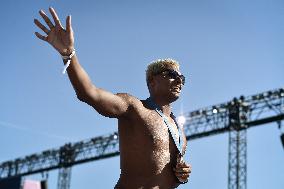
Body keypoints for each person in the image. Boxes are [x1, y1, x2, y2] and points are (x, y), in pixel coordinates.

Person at [34, 7, 192, 189]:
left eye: (182, 77)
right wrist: (68, 54)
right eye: (172, 74)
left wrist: (182, 175)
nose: (179, 80)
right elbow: (89, 93)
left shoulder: (180, 131)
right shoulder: (134, 107)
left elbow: (166, 176)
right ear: (152, 81)